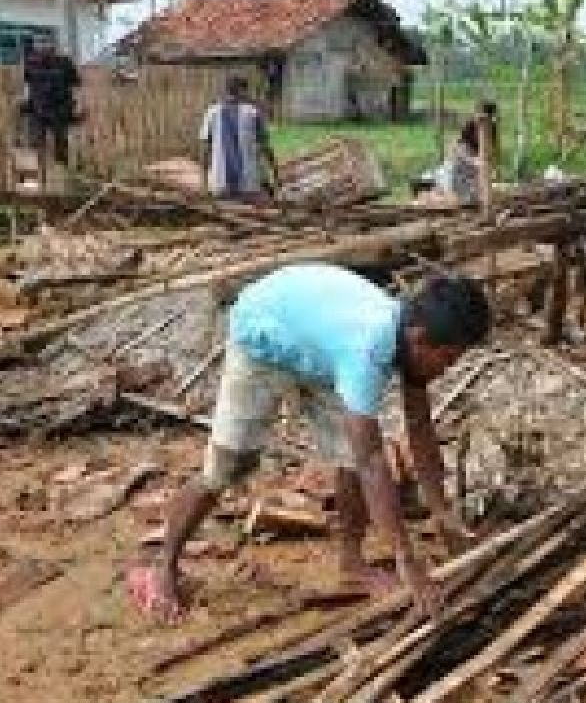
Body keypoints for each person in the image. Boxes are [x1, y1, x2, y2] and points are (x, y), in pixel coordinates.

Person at [127, 265, 492, 621]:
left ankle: (352, 562)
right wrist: (406, 559)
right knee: (226, 469)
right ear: (418, 337)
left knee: (349, 459)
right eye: (446, 360)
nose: (446, 370)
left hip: (319, 354)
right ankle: (164, 564)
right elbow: (372, 462)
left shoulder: (407, 341)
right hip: (263, 342)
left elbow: (420, 428)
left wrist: (443, 513)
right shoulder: (366, 348)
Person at [199, 75, 279, 200]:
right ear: (242, 90)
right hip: (248, 185)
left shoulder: (212, 112)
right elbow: (266, 147)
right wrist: (275, 173)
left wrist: (204, 183)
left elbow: (205, 150)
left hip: (219, 184)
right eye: (246, 91)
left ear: (227, 90)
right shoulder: (253, 113)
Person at [21, 33, 81, 182]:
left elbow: (76, 86)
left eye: (46, 42)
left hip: (60, 109)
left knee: (61, 144)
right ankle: (35, 179)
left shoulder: (65, 63)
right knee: (35, 143)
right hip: (37, 109)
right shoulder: (30, 62)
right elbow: (27, 84)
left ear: (53, 45)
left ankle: (63, 178)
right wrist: (24, 100)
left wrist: (78, 105)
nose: (42, 46)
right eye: (39, 43)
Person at [443, 101, 499, 206]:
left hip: (477, 169)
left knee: (480, 194)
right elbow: (457, 148)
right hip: (462, 165)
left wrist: (491, 168)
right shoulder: (468, 126)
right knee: (465, 196)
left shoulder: (492, 129)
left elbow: (492, 151)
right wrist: (473, 160)